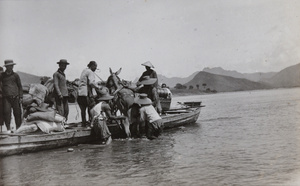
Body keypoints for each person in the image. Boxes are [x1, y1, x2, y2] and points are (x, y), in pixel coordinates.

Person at [1, 60, 23, 132]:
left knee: (17, 113)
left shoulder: (16, 75)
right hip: (6, 98)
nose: (11, 67)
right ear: (6, 67)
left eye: (12, 65)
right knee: (7, 113)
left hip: (16, 97)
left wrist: (21, 97)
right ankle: (8, 129)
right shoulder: (2, 75)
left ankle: (18, 129)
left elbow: (20, 86)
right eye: (10, 66)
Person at [77, 61, 101, 127]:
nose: (95, 69)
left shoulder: (84, 70)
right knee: (91, 108)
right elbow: (91, 83)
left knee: (83, 110)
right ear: (92, 66)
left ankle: (84, 123)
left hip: (80, 93)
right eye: (95, 67)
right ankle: (91, 123)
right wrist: (98, 87)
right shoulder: (90, 72)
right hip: (87, 94)